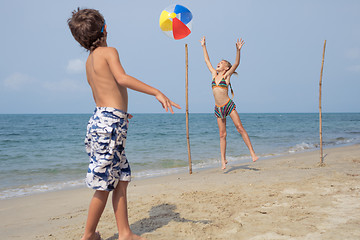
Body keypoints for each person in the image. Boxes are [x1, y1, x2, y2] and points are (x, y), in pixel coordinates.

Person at [68, 8, 180, 240]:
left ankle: (125, 232)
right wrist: (156, 92)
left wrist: (119, 113)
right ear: (105, 28)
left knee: (120, 179)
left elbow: (103, 92)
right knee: (104, 184)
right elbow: (121, 79)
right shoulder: (109, 52)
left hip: (103, 120)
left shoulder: (89, 62)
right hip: (110, 125)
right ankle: (88, 235)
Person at [200, 36, 258, 170]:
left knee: (239, 128)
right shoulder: (214, 74)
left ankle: (252, 153)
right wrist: (204, 46)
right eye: (219, 62)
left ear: (226, 68)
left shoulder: (226, 76)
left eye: (221, 63)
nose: (218, 63)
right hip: (218, 108)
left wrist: (238, 50)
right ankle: (223, 160)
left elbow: (236, 63)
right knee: (222, 134)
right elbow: (206, 60)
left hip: (228, 105)